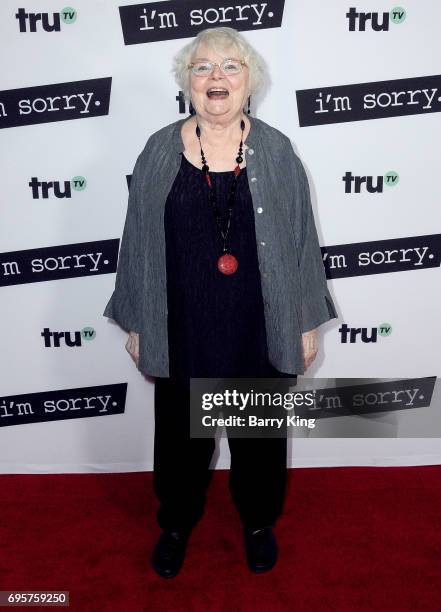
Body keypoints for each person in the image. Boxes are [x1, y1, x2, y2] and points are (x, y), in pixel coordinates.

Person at [103, 26, 338, 578]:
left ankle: (257, 521)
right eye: (203, 67)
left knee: (258, 435)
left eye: (230, 67)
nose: (216, 78)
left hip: (258, 323)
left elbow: (303, 238)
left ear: (249, 81)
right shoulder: (160, 147)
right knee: (182, 438)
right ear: (187, 81)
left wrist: (304, 322)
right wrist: (137, 320)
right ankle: (176, 522)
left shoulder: (277, 150)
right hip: (184, 323)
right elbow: (135, 237)